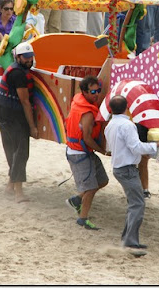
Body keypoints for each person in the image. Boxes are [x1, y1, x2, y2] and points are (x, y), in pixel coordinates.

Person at [105, 95, 159, 249]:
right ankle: (130, 241)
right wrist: (157, 145)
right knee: (137, 204)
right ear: (127, 108)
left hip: (119, 168)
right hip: (127, 169)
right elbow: (136, 147)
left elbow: (113, 148)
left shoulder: (110, 125)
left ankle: (127, 238)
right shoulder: (128, 125)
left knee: (134, 204)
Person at [0, 42, 39, 203]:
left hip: (4, 114)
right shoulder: (19, 74)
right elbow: (25, 101)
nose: (29, 60)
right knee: (21, 153)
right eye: (26, 58)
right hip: (14, 117)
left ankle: (10, 185)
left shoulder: (13, 68)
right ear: (18, 57)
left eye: (31, 57)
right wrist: (32, 126)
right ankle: (19, 193)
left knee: (12, 150)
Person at [64, 76, 109, 230]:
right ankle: (82, 219)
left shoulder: (80, 102)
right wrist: (102, 150)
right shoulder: (88, 113)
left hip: (84, 152)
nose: (97, 94)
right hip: (79, 154)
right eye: (93, 92)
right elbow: (87, 138)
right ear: (84, 92)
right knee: (90, 188)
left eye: (98, 91)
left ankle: (76, 200)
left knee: (102, 181)